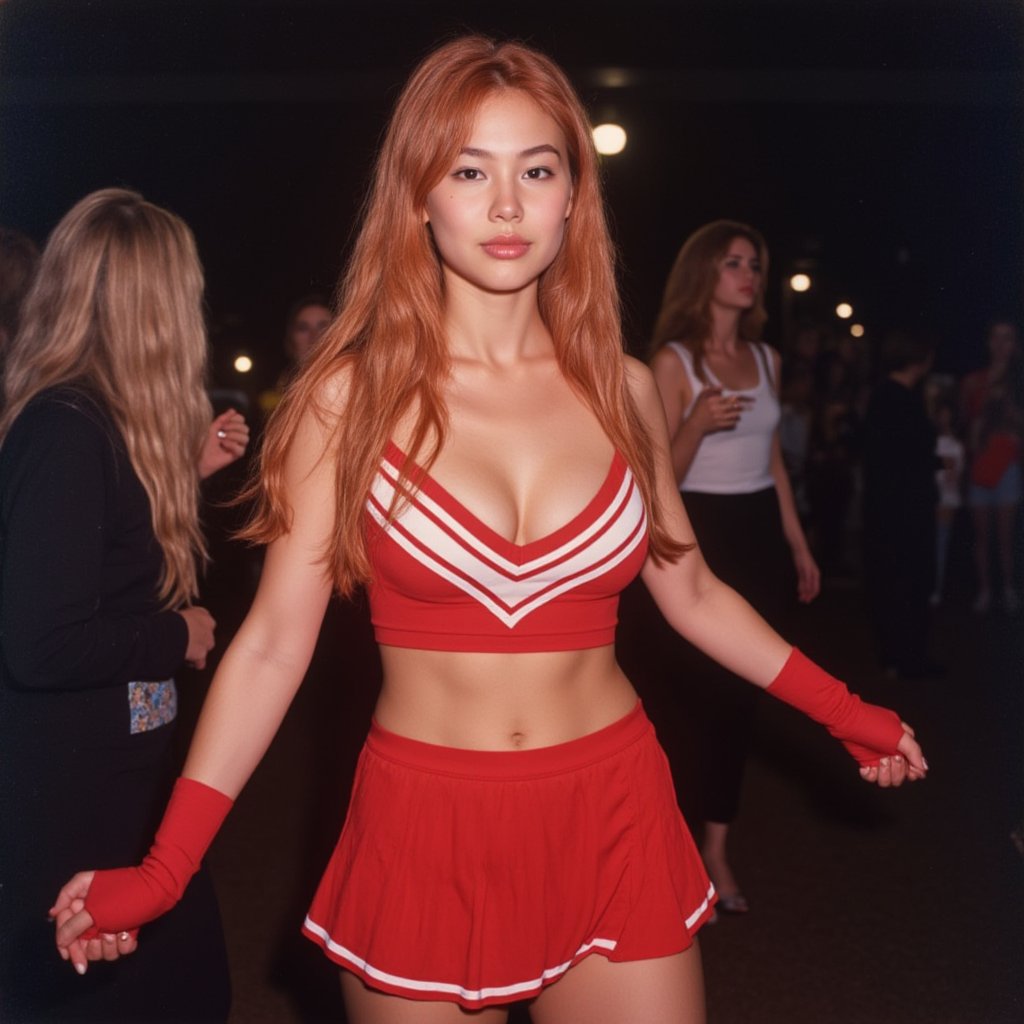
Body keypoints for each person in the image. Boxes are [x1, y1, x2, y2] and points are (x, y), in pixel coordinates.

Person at [53, 39, 925, 1023]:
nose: (506, 204)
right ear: (418, 198)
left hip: (614, 806)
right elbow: (269, 645)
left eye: (536, 170)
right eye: (469, 171)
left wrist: (845, 709)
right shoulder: (348, 399)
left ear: (571, 200)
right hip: (426, 825)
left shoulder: (626, 391)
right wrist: (167, 867)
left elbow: (692, 592)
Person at [0, 189, 248, 1023]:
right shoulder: (65, 427)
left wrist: (184, 476)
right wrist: (174, 634)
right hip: (69, 806)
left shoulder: (98, 425)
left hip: (122, 794)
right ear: (156, 305)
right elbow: (41, 642)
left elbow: (97, 552)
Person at [649, 220, 821, 918]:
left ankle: (716, 847)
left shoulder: (768, 358)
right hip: (697, 533)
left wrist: (800, 545)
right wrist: (694, 423)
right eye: (734, 262)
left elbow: (775, 463)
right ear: (703, 273)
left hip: (757, 535)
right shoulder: (671, 361)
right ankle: (678, 852)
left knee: (742, 701)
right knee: (692, 703)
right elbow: (656, 475)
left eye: (756, 263)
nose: (749, 274)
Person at [861, 331, 939, 678]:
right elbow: (909, 456)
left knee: (891, 580)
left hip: (886, 507)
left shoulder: (883, 397)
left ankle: (895, 656)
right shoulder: (900, 400)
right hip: (906, 510)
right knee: (910, 580)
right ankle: (908, 659)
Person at [960, 319, 1023, 614]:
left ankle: (1008, 588)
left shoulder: (1018, 382)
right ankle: (984, 590)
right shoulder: (974, 381)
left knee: (1006, 535)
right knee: (982, 534)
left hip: (1008, 464)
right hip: (981, 464)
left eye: (1007, 338)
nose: (1000, 345)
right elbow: (963, 421)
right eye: (996, 338)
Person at [258, 294, 333, 416]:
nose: (314, 336)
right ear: (291, 338)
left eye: (323, 327)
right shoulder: (276, 397)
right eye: (303, 328)